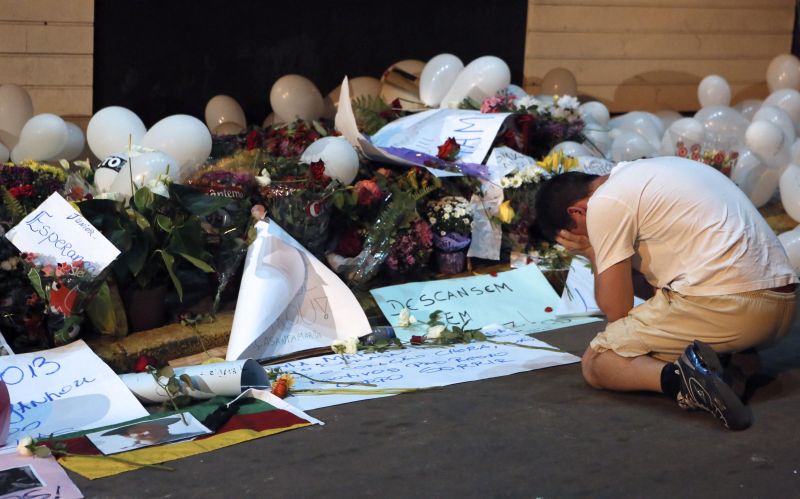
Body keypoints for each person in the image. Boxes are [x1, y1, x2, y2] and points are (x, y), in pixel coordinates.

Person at [534, 156, 798, 430]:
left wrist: (592, 252)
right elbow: (654, 289)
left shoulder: (604, 202)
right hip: (781, 306)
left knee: (600, 359)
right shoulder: (649, 172)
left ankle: (687, 383)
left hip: (733, 306)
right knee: (650, 334)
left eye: (580, 235)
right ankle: (736, 364)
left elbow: (617, 311)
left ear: (577, 212)